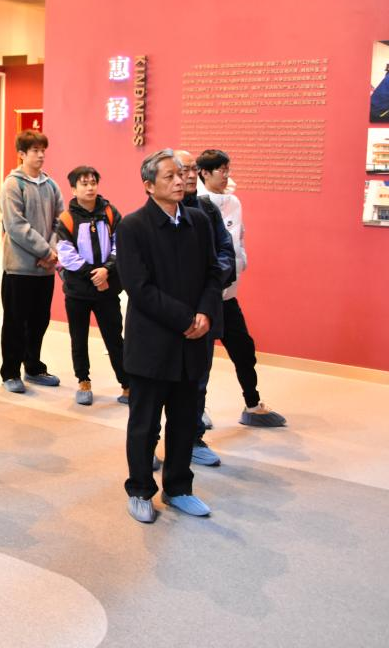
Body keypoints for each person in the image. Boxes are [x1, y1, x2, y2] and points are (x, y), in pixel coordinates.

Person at [115, 149, 223, 524]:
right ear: (149, 185)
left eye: (181, 174)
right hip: (152, 343)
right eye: (170, 176)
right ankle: (140, 490)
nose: (180, 181)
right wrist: (186, 318)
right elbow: (138, 287)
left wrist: (206, 313)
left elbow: (214, 272)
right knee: (145, 425)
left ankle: (178, 489)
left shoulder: (199, 221)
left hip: (192, 341)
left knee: (184, 420)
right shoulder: (133, 227)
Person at [196, 149, 287, 428]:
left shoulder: (234, 202)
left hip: (229, 294)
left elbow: (239, 238)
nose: (226, 175)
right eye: (221, 170)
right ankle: (196, 410)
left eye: (227, 169)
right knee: (202, 360)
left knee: (244, 350)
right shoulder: (196, 204)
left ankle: (253, 405)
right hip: (205, 297)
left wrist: (241, 261)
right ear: (205, 173)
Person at [178, 150, 236, 467]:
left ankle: (193, 438)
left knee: (198, 380)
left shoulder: (207, 209)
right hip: (170, 315)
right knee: (158, 386)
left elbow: (225, 253)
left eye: (192, 169)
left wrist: (209, 284)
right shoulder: (151, 218)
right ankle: (152, 442)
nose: (188, 176)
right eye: (180, 170)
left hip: (204, 309)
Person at [54, 165, 128, 406]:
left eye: (93, 182)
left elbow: (120, 244)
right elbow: (66, 255)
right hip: (78, 290)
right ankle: (83, 381)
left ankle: (127, 384)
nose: (90, 187)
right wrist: (93, 274)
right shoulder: (67, 219)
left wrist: (107, 269)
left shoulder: (110, 212)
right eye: (84, 183)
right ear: (73, 189)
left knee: (114, 338)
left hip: (107, 288)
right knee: (79, 338)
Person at [0, 129, 65, 393]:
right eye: (35, 150)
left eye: (42, 150)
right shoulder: (13, 184)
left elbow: (61, 221)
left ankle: (34, 367)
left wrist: (52, 252)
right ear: (21, 154)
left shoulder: (51, 185)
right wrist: (45, 252)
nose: (40, 155)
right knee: (15, 322)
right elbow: (16, 226)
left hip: (45, 270)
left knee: (39, 321)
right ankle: (10, 372)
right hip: (19, 268)